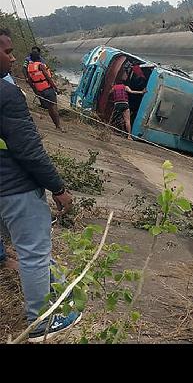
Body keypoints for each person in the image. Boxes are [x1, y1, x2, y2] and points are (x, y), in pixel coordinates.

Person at [0, 27, 82, 342]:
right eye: (7, 52)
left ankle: (61, 295)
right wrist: (59, 189)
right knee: (34, 252)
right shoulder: (7, 94)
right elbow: (30, 151)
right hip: (16, 187)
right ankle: (41, 323)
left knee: (32, 248)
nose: (13, 57)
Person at [23, 48, 63, 132]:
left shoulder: (29, 68)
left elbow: (30, 82)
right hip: (48, 89)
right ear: (39, 57)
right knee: (54, 107)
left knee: (49, 108)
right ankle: (58, 126)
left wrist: (37, 92)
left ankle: (56, 125)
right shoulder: (41, 65)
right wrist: (56, 88)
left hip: (40, 91)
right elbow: (48, 78)